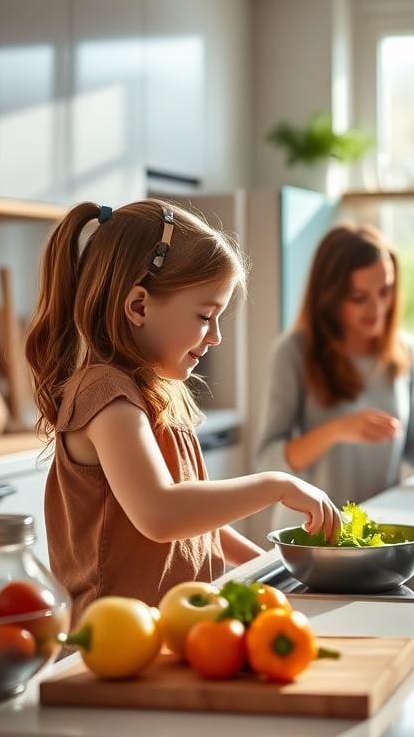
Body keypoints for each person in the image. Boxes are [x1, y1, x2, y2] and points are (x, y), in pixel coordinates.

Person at [26, 200, 339, 620]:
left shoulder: (154, 389)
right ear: (138, 306)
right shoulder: (106, 395)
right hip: (115, 648)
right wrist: (277, 485)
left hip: (172, 632)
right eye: (206, 316)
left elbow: (195, 524)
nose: (216, 337)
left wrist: (272, 569)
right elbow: (161, 513)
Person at [255, 223, 414, 514]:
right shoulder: (293, 352)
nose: (377, 308)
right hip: (310, 534)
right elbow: (268, 458)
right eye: (359, 297)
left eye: (385, 291)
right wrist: (336, 430)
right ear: (329, 296)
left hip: (377, 526)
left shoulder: (405, 353)